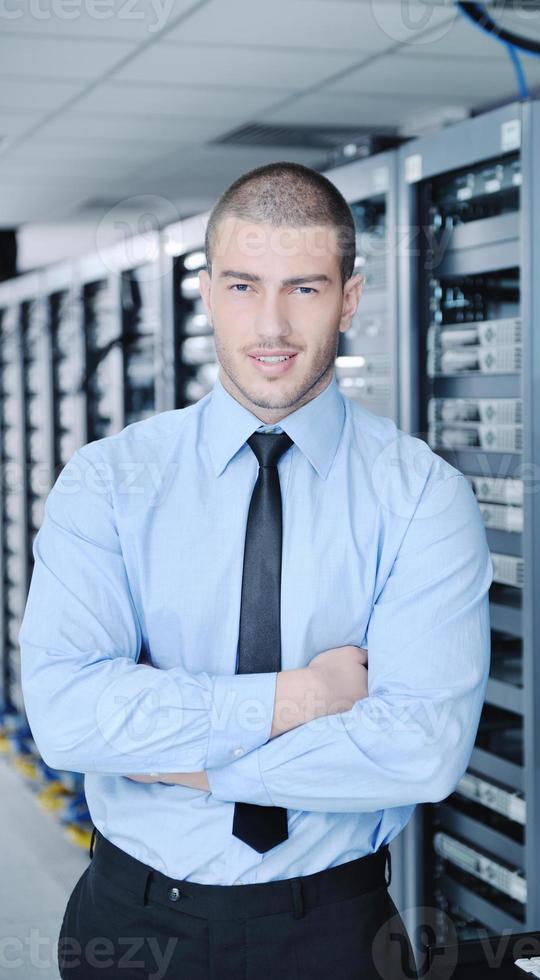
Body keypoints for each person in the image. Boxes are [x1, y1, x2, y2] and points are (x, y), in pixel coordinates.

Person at [19, 161, 493, 979]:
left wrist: (171, 755)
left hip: (333, 931)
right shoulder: (108, 481)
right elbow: (66, 716)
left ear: (349, 297)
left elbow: (421, 751)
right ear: (206, 292)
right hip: (131, 926)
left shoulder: (423, 496)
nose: (270, 325)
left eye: (304, 289)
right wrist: (303, 698)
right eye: (244, 286)